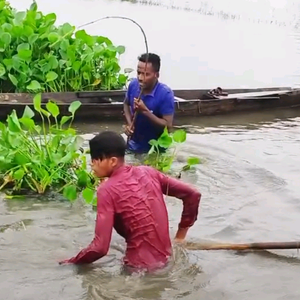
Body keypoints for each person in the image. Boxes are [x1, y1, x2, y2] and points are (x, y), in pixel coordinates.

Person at [59, 131, 201, 272]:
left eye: (96, 159)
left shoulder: (106, 190)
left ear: (112, 161)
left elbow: (100, 248)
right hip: (168, 258)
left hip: (138, 269)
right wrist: (180, 236)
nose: (92, 164)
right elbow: (193, 194)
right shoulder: (149, 172)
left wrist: (71, 262)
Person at [123, 53, 175, 153]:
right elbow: (126, 104)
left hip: (156, 148)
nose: (141, 78)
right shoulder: (133, 85)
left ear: (157, 75)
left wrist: (145, 111)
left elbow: (168, 125)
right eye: (139, 73)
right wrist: (129, 124)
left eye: (146, 74)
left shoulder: (165, 94)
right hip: (133, 143)